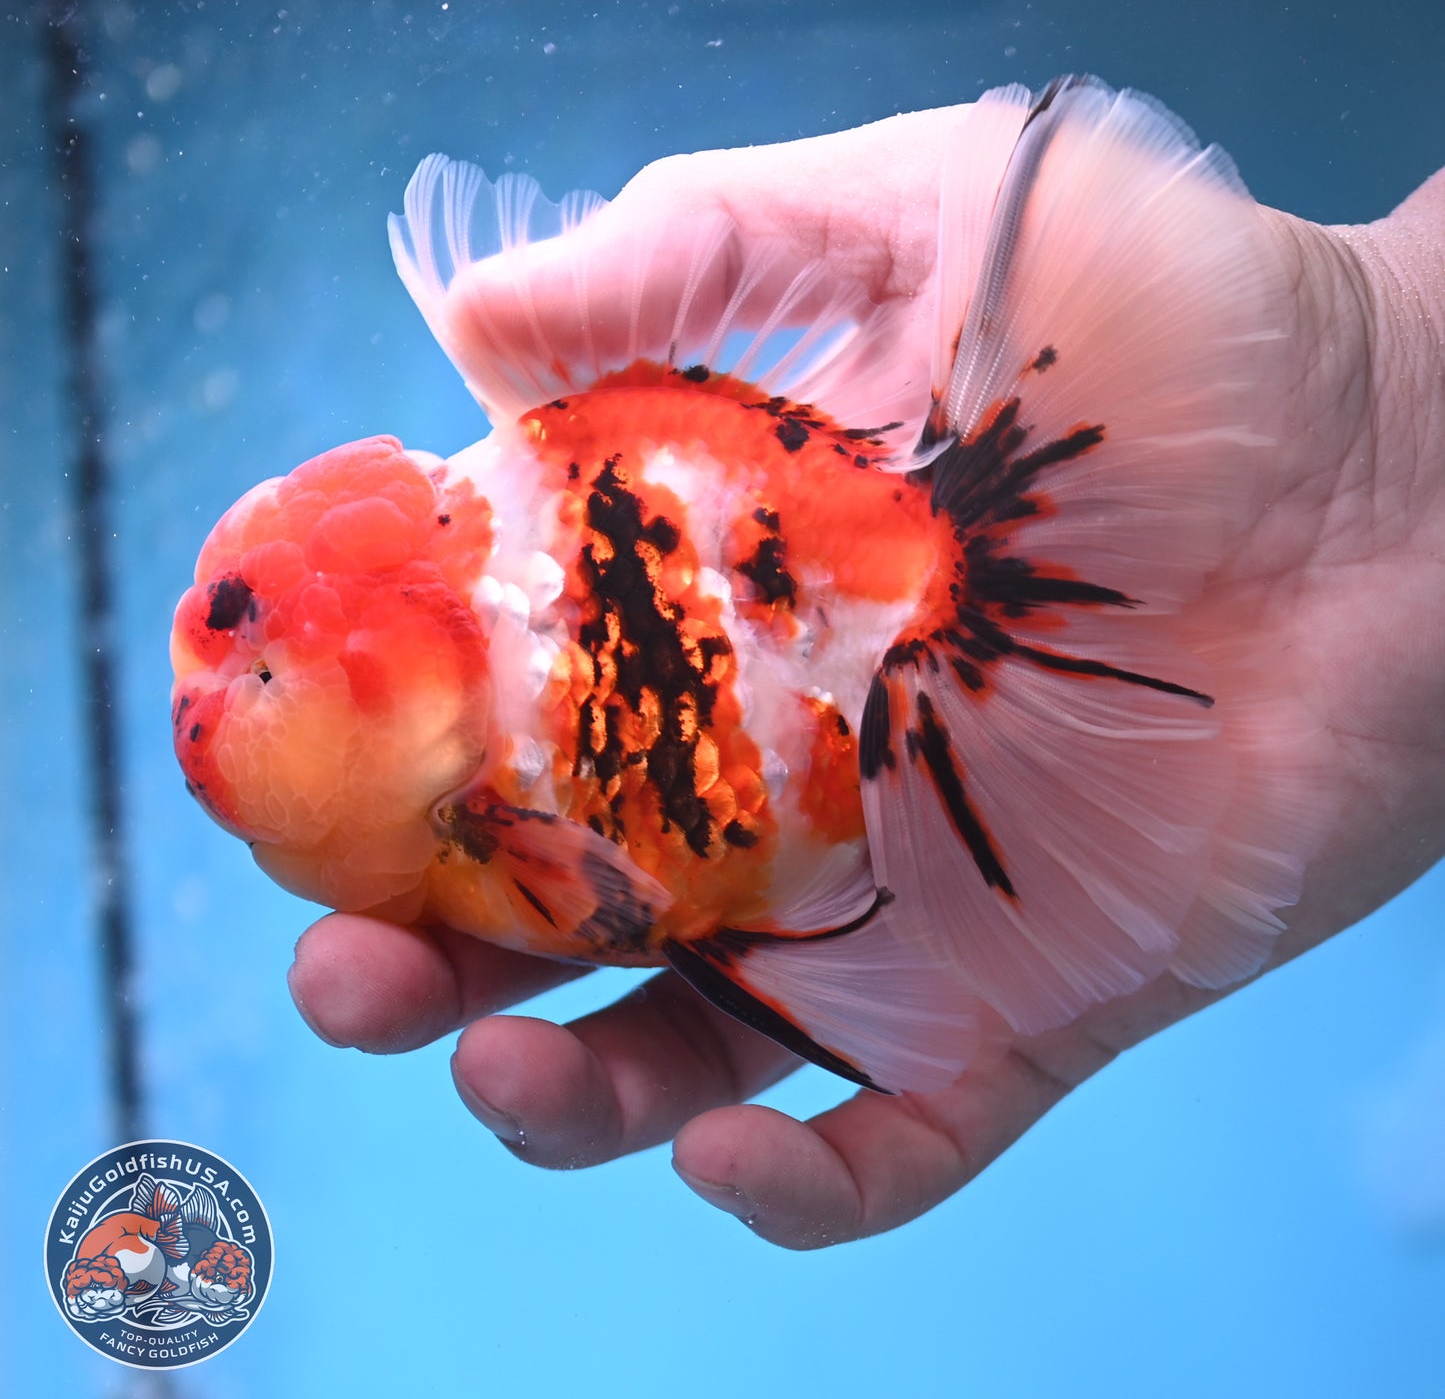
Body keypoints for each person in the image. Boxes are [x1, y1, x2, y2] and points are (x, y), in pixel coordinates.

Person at [286, 96, 1445, 1249]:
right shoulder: (463, 803)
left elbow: (626, 898)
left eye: (274, 676)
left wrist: (1407, 377)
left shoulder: (473, 814)